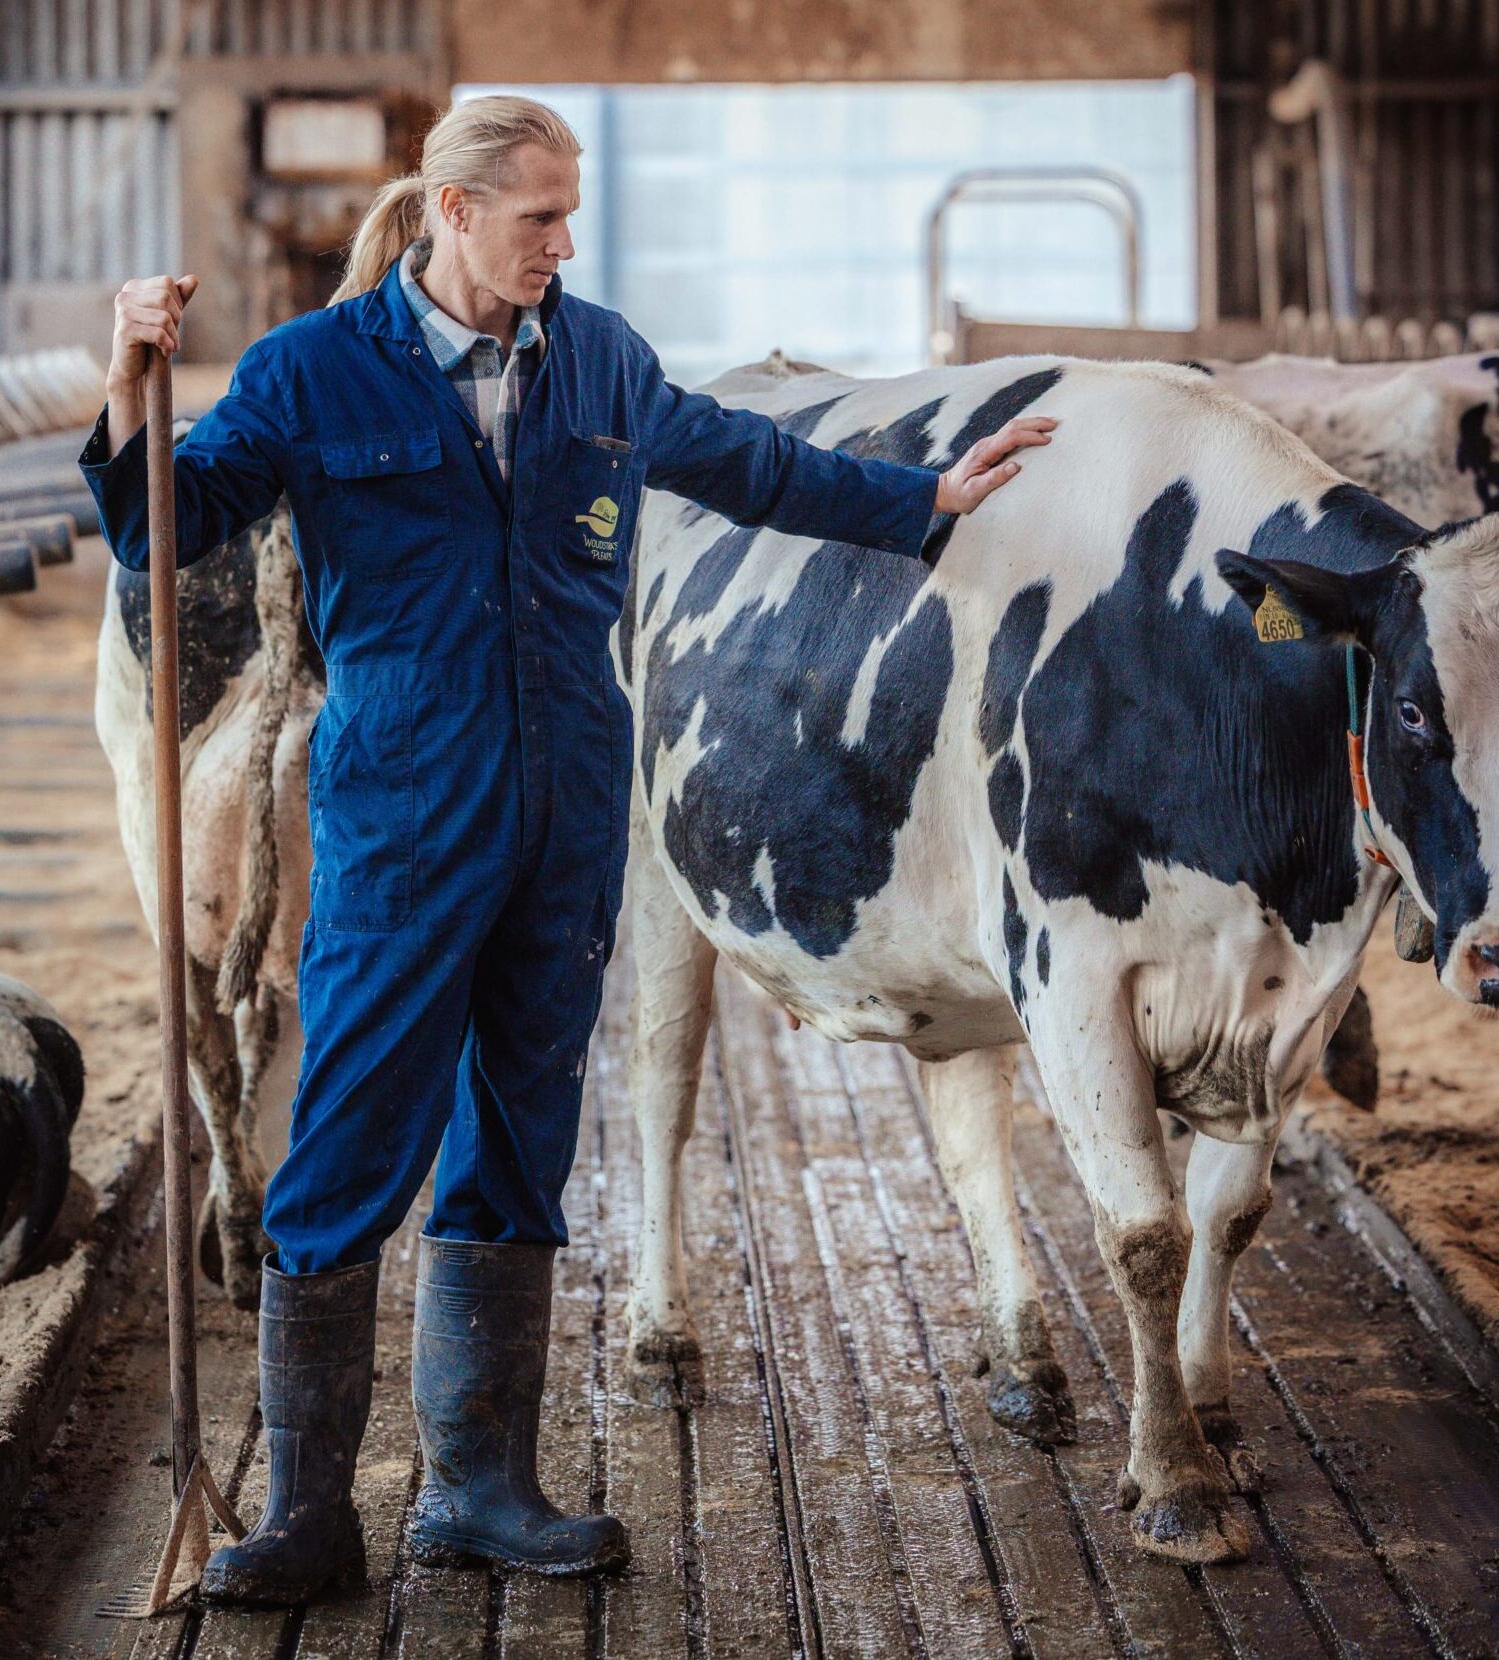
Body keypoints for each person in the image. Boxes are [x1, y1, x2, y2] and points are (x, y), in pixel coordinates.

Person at [80, 94, 1055, 1607]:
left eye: (570, 215)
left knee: (523, 1132)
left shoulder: (597, 357)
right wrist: (130, 378)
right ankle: (304, 1515)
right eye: (539, 216)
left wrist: (927, 496)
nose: (563, 243)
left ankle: (479, 1489)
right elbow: (167, 529)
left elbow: (750, 465)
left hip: (570, 813)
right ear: (456, 212)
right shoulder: (312, 370)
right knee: (349, 1140)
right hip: (404, 817)